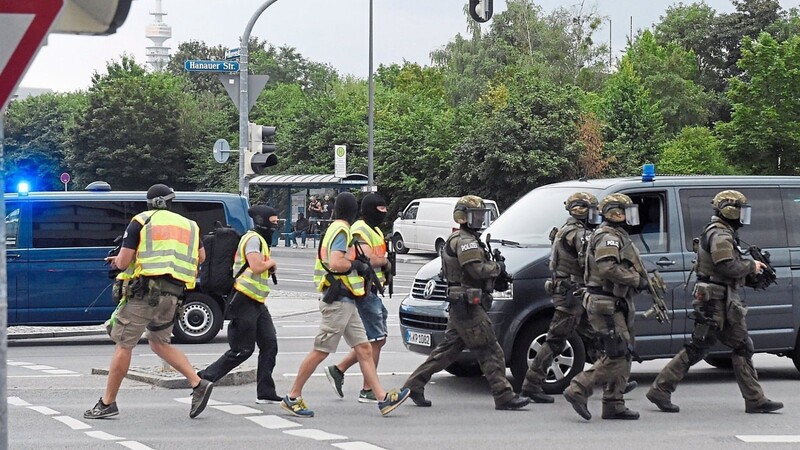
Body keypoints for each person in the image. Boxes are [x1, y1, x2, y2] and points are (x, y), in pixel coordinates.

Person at [646, 190, 783, 414]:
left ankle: (755, 399)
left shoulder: (724, 232)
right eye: (740, 211)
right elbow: (725, 266)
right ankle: (660, 389)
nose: (743, 217)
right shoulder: (720, 234)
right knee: (699, 346)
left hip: (723, 300)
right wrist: (752, 266)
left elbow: (725, 270)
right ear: (730, 211)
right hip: (713, 301)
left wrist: (752, 276)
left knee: (741, 345)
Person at [85, 184, 213, 419]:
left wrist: (118, 261)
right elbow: (201, 257)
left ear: (153, 202)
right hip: (173, 296)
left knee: (124, 344)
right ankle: (198, 383)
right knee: (159, 343)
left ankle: (107, 403)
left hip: (145, 295)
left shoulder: (141, 220)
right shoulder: (190, 226)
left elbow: (123, 263)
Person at [280, 192, 410, 417]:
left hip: (347, 298)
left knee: (364, 348)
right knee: (321, 350)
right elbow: (336, 262)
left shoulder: (336, 228)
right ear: (352, 211)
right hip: (338, 300)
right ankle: (293, 396)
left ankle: (382, 399)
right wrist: (357, 265)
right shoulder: (341, 230)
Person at [403, 195, 530, 411]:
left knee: (446, 353)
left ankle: (414, 385)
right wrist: (497, 268)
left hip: (463, 304)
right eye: (476, 215)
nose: (480, 219)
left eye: (482, 215)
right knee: (490, 349)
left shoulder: (469, 238)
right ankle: (504, 395)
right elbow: (475, 270)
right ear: (463, 217)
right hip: (468, 306)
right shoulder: (465, 241)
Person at [521, 192, 610, 403]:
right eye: (592, 210)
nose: (595, 214)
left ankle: (612, 381)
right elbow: (590, 261)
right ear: (581, 210)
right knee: (556, 340)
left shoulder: (564, 230)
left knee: (595, 336)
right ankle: (531, 385)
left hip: (574, 292)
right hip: (571, 294)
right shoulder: (577, 234)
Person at [563, 193, 644, 421]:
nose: (631, 217)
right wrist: (636, 279)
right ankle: (578, 388)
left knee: (624, 350)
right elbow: (607, 268)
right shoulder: (608, 237)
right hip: (605, 303)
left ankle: (614, 403)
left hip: (615, 302)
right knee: (616, 352)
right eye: (627, 212)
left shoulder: (615, 235)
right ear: (616, 213)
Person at [198, 205, 282, 404]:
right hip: (244, 299)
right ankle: (204, 378)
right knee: (242, 350)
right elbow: (255, 266)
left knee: (270, 345)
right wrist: (270, 263)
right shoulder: (253, 238)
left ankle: (265, 392)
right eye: (273, 220)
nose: (276, 223)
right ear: (262, 221)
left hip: (257, 301)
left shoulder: (260, 240)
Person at [324, 193, 392, 403]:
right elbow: (368, 258)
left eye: (384, 210)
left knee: (373, 341)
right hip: (363, 290)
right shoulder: (359, 229)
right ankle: (367, 389)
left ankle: (339, 370)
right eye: (378, 210)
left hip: (371, 289)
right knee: (375, 339)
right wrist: (385, 261)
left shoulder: (375, 229)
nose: (382, 214)